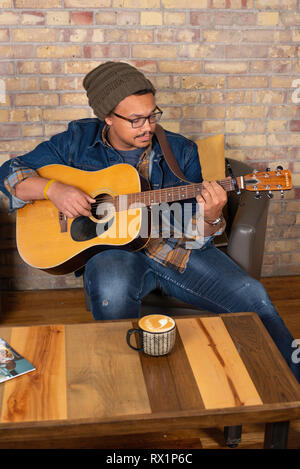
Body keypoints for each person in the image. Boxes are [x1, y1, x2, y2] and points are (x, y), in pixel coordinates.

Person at [0, 61, 299, 383]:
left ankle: (291, 379)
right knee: (112, 292)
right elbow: (11, 172)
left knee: (252, 294)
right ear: (108, 118)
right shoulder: (76, 141)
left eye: (153, 115)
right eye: (136, 120)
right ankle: (124, 385)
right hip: (111, 253)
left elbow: (194, 232)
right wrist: (53, 188)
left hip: (175, 249)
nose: (148, 127)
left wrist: (211, 217)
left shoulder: (180, 150)